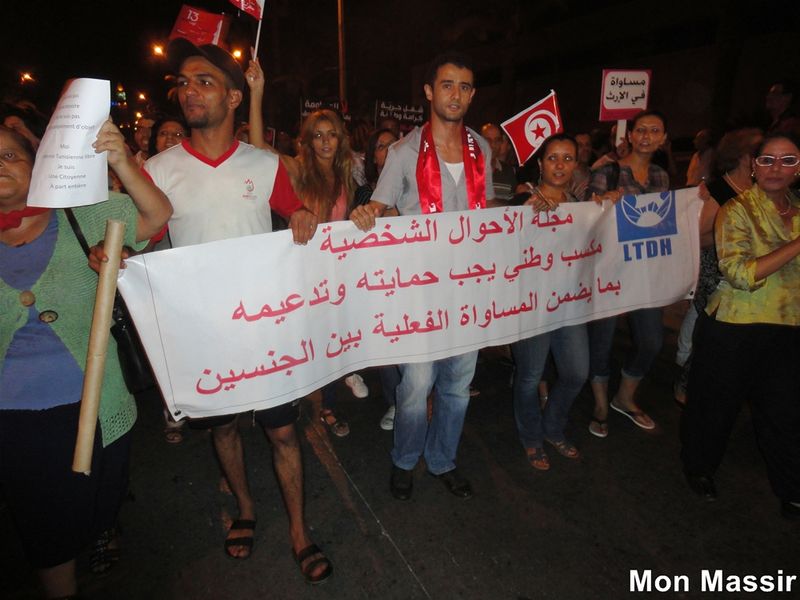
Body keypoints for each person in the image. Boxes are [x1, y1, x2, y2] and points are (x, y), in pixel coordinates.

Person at [94, 38, 330, 582]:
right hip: (200, 331)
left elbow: (298, 216)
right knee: (223, 430)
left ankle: (298, 529)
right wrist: (117, 253)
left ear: (232, 94)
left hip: (263, 330)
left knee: (283, 433)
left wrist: (302, 220)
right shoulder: (157, 168)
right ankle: (245, 509)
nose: (189, 90)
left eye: (203, 81)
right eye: (182, 82)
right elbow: (145, 236)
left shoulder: (264, 164)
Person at [0, 121, 171, 599]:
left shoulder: (81, 215)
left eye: (10, 156)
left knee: (99, 498)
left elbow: (155, 216)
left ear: (36, 166)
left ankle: (100, 526)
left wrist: (121, 161)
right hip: (12, 420)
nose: (0, 166)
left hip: (95, 402)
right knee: (43, 523)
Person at [350, 51, 494, 501]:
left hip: (468, 287)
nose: (456, 94)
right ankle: (405, 459)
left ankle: (442, 460)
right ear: (430, 92)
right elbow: (380, 204)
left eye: (465, 86)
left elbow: (486, 216)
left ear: (472, 95)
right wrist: (366, 211)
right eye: (447, 85)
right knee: (415, 386)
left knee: (457, 385)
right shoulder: (403, 151)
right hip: (419, 292)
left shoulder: (481, 149)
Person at [680, 132, 800, 519]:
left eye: (787, 160)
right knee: (715, 407)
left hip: (787, 330)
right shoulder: (737, 209)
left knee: (784, 412)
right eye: (767, 160)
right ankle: (700, 468)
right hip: (733, 326)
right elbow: (739, 273)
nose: (775, 169)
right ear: (752, 164)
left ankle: (791, 488)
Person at [585, 110, 670, 437]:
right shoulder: (608, 171)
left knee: (651, 340)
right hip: (609, 271)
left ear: (663, 139)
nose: (647, 136)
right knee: (602, 339)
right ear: (630, 136)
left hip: (645, 273)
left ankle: (625, 397)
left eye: (655, 130)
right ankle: (601, 403)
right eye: (641, 130)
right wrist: (602, 202)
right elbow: (588, 216)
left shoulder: (661, 176)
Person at [289, 108, 368, 437]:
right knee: (303, 339)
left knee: (332, 337)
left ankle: (328, 405)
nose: (325, 141)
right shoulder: (297, 170)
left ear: (340, 139)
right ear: (308, 140)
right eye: (318, 134)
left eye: (331, 134)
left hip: (335, 272)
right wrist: (257, 91)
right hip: (300, 270)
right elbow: (259, 151)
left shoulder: (348, 175)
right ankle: (293, 397)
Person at [511, 134, 589, 470]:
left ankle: (552, 427)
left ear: (576, 165)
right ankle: (531, 438)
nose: (560, 165)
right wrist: (529, 211)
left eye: (568, 158)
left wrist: (609, 206)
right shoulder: (527, 197)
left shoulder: (582, 204)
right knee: (529, 376)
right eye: (553, 158)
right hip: (532, 305)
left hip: (569, 303)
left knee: (576, 372)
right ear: (540, 163)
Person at [673, 128, 763, 404]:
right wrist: (734, 232)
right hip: (717, 272)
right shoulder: (717, 190)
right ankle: (686, 379)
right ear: (746, 157)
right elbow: (697, 238)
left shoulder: (760, 190)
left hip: (748, 273)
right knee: (705, 324)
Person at [480, 122, 517, 203]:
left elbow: (511, 206)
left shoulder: (508, 171)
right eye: (488, 140)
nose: (493, 145)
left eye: (497, 140)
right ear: (479, 141)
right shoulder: (467, 169)